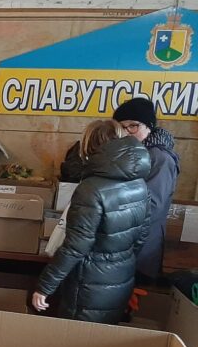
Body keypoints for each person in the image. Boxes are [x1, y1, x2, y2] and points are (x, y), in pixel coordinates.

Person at [33, 119, 151, 323]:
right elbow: (142, 235)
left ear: (89, 148)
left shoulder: (91, 189)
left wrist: (45, 287)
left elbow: (75, 247)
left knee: (76, 338)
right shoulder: (139, 183)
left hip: (88, 284)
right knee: (103, 338)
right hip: (121, 278)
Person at [112, 97, 179, 282]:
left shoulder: (159, 158)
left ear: (149, 127)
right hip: (124, 242)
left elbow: (152, 206)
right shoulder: (132, 152)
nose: (127, 132)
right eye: (122, 127)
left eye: (133, 126)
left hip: (141, 248)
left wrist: (111, 213)